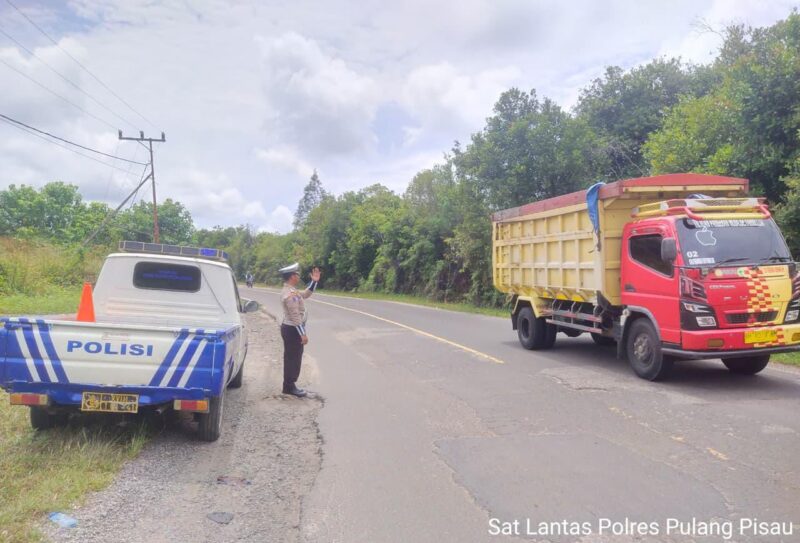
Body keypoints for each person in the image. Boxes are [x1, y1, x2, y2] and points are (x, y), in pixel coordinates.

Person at [279, 263, 321, 397]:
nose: (298, 276)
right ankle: (289, 387)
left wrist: (314, 282)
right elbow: (295, 316)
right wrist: (302, 334)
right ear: (292, 276)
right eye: (297, 274)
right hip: (292, 329)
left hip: (292, 329)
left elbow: (305, 294)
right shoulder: (289, 294)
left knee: (294, 357)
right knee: (293, 358)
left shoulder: (292, 290)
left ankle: (289, 385)